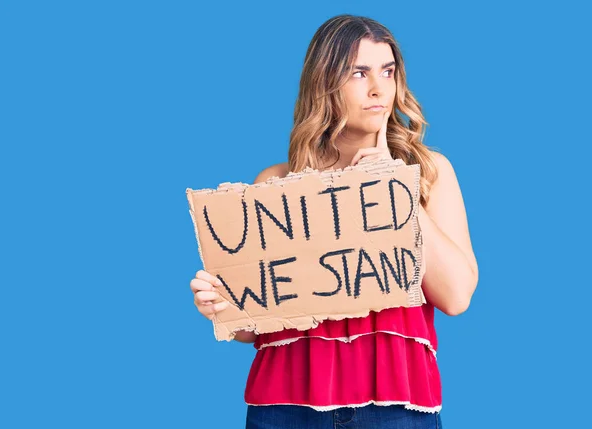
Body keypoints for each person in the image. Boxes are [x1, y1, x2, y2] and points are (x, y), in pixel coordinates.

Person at [190, 14, 478, 429]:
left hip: (395, 406)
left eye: (388, 71)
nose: (379, 88)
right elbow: (253, 330)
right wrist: (221, 304)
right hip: (285, 406)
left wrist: (396, 192)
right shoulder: (276, 183)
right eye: (359, 73)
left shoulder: (428, 171)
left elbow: (456, 297)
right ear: (325, 82)